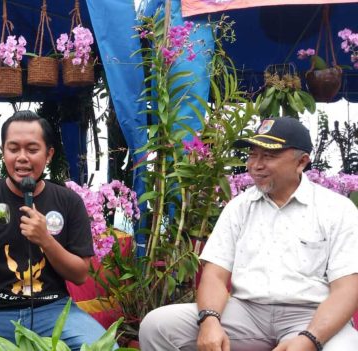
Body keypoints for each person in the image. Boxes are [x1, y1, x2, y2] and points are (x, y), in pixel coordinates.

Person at [139, 117, 358, 351]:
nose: (255, 165)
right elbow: (214, 276)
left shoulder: (336, 209)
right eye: (253, 155)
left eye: (269, 156)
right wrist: (210, 320)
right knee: (157, 325)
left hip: (312, 313)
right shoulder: (239, 207)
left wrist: (309, 339)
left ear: (301, 162)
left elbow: (348, 288)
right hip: (246, 313)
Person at [0, 110, 109, 350]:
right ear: (3, 152)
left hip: (52, 307)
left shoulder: (69, 201)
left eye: (32, 149)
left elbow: (80, 275)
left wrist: (46, 240)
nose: (22, 158)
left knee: (103, 347)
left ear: (49, 154)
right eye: (13, 149)